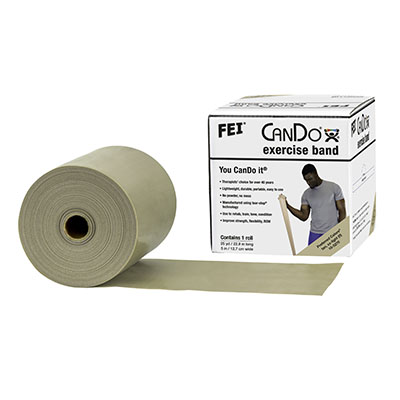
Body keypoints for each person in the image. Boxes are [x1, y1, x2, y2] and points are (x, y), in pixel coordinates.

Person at [285, 164, 346, 245]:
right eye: (306, 180)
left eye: (310, 179)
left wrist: (340, 230)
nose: (308, 182)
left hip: (331, 232)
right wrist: (287, 206)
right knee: (311, 253)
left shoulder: (334, 187)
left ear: (316, 174)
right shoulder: (306, 194)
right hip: (314, 233)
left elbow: (342, 210)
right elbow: (303, 216)